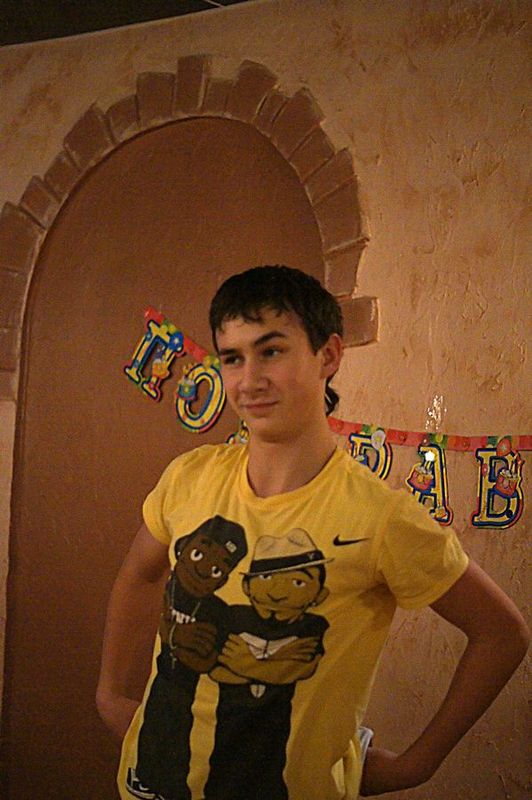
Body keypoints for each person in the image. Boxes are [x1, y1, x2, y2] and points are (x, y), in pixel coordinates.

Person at [97, 265, 529, 800]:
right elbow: (140, 575)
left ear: (328, 355)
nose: (249, 380)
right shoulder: (189, 477)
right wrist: (111, 693)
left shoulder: (380, 518)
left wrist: (416, 766)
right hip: (151, 784)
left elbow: (501, 634)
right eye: (232, 358)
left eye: (271, 351)